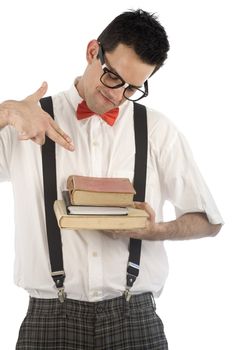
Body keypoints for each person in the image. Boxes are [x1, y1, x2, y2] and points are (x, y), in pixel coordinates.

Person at [0, 8, 223, 350]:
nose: (118, 96)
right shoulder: (27, 121)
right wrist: (6, 113)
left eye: (133, 89)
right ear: (93, 52)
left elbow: (209, 221)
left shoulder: (158, 130)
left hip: (135, 320)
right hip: (48, 321)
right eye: (113, 78)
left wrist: (154, 231)